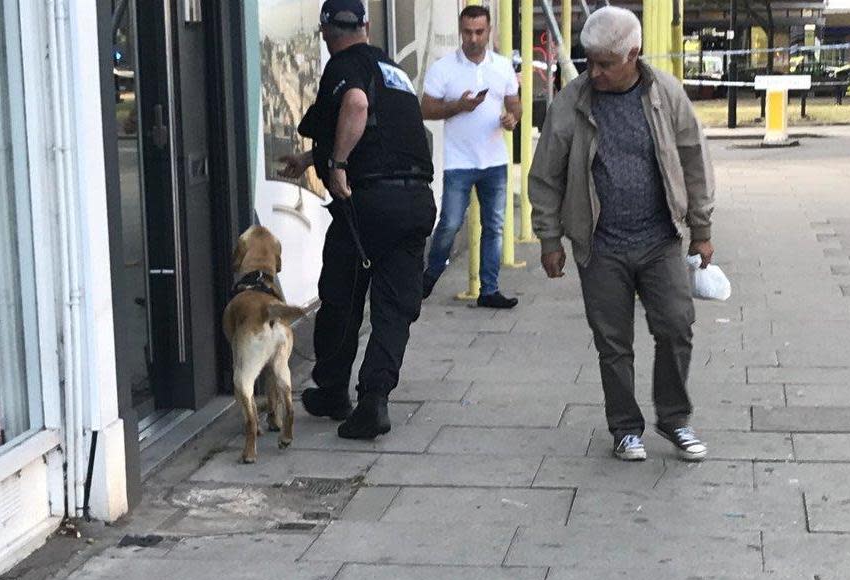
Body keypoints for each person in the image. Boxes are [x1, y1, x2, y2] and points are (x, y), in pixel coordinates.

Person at [529, 7, 715, 462]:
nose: (594, 71)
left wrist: (702, 229)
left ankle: (674, 420)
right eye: (589, 61)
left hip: (661, 240)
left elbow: (694, 159)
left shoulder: (665, 94)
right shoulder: (571, 103)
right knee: (613, 342)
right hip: (601, 245)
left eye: (605, 63)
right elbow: (546, 175)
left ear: (634, 54)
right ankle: (625, 428)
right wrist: (550, 239)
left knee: (676, 326)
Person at [278, 0, 436, 440]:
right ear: (366, 26)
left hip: (368, 203)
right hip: (416, 200)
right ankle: (375, 400)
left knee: (342, 296)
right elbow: (383, 128)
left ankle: (331, 389)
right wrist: (314, 156)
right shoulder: (394, 70)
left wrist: (339, 163)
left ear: (327, 32)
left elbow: (357, 106)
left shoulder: (344, 66)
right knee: (394, 308)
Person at [420, 5, 522, 308]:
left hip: (494, 160)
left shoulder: (502, 66)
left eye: (479, 32)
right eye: (467, 32)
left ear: (489, 31)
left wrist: (511, 119)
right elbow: (426, 109)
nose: (474, 38)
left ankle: (488, 290)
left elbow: (515, 104)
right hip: (459, 162)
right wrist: (458, 107)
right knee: (450, 223)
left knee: (495, 226)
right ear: (460, 31)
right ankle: (429, 276)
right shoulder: (444, 68)